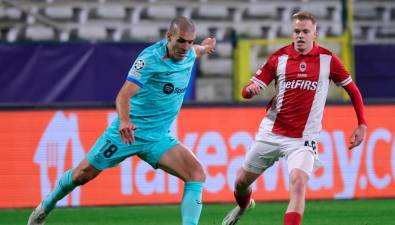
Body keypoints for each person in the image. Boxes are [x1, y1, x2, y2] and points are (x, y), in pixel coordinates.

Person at [28, 16, 216, 225]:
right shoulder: (150, 59)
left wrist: (205, 47)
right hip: (128, 133)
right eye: (181, 41)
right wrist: (125, 121)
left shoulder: (189, 53)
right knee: (82, 174)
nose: (186, 47)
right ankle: (45, 207)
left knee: (196, 173)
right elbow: (123, 95)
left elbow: (196, 51)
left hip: (157, 138)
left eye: (190, 41)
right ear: (169, 36)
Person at [222, 11, 367, 225]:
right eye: (297, 31)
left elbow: (353, 90)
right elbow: (247, 90)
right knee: (240, 183)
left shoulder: (328, 60)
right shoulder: (279, 58)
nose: (300, 35)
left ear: (314, 34)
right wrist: (249, 91)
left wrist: (362, 124)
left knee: (298, 185)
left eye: (305, 31)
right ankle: (243, 205)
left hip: (303, 139)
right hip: (271, 132)